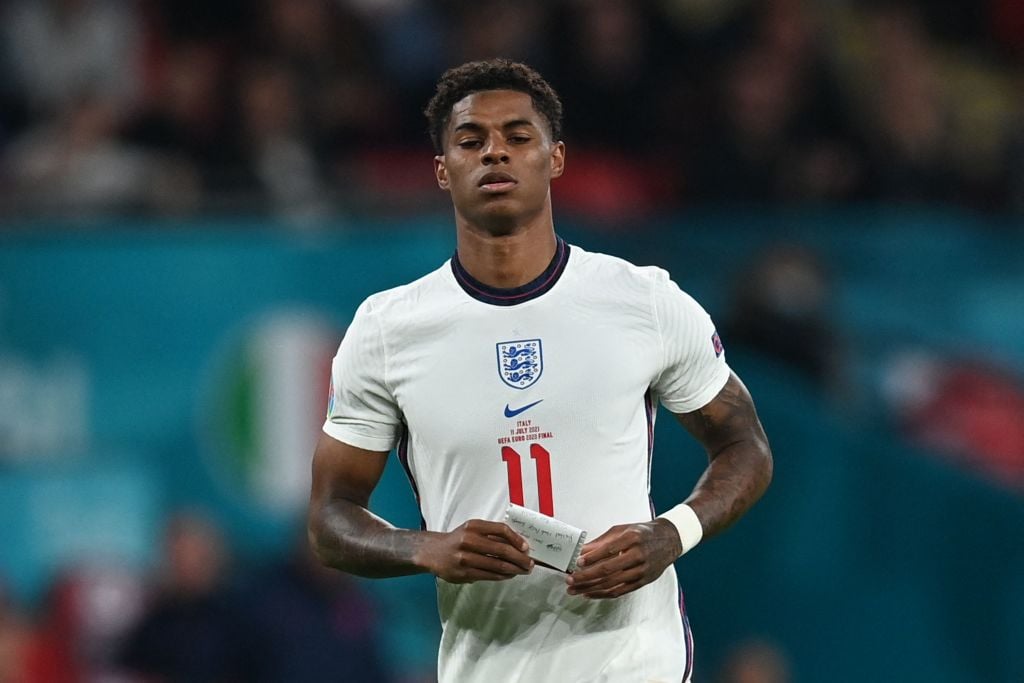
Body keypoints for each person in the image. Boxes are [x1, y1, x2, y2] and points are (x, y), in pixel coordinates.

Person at [308, 58, 773, 683]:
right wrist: (428, 548)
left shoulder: (644, 301)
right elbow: (330, 518)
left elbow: (746, 446)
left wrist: (672, 533)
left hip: (637, 662)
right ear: (444, 172)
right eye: (472, 141)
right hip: (488, 665)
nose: (495, 153)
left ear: (554, 158)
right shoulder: (387, 330)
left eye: (518, 136)